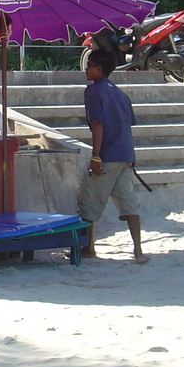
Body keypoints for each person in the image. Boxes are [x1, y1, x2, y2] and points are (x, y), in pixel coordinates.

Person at [77, 44, 147, 263]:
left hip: (107, 155)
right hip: (125, 155)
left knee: (90, 202)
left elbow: (97, 124)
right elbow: (128, 124)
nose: (86, 70)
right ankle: (138, 250)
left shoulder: (93, 91)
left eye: (89, 66)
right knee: (129, 204)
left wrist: (96, 156)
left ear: (99, 69)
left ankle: (89, 248)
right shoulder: (120, 93)